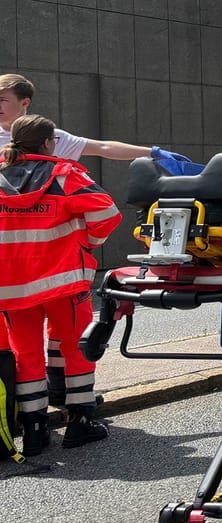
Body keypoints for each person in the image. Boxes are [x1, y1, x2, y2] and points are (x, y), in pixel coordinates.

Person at [0, 115, 122, 455]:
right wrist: (87, 242)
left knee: (25, 355)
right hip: (63, 281)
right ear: (48, 142)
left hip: (11, 286)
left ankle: (35, 429)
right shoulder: (64, 175)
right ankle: (80, 421)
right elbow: (108, 213)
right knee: (75, 347)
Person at [0, 74, 156, 161]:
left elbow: (103, 148)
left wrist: (153, 153)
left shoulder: (53, 136)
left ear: (25, 102)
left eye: (2, 100)